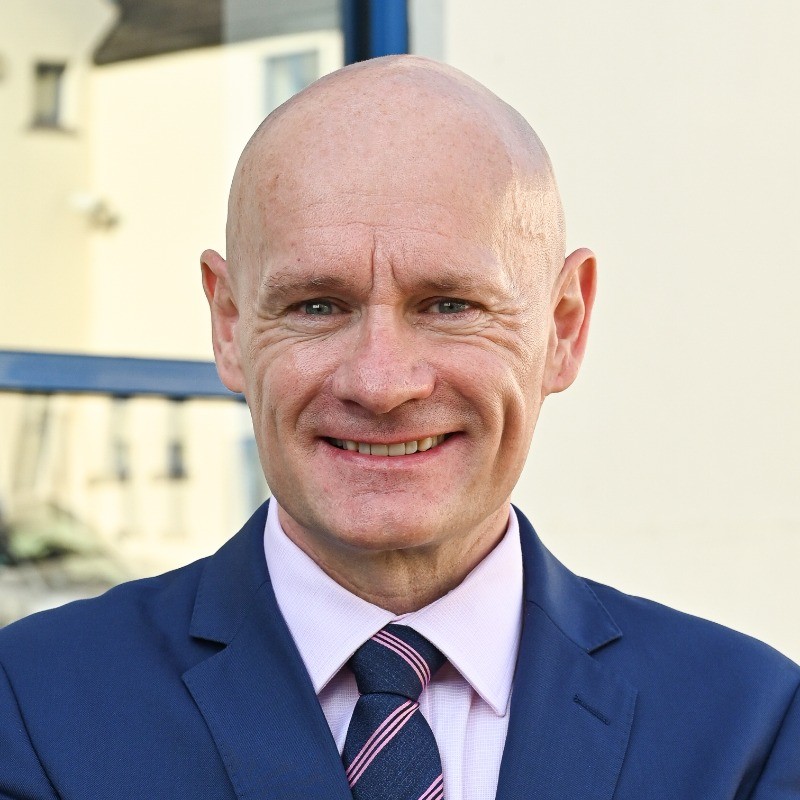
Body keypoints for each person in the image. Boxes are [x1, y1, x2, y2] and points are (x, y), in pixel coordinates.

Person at [0, 55, 797, 799]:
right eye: (317, 305)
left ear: (564, 326)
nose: (381, 383)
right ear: (229, 326)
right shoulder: (33, 710)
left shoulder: (745, 731)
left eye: (450, 306)